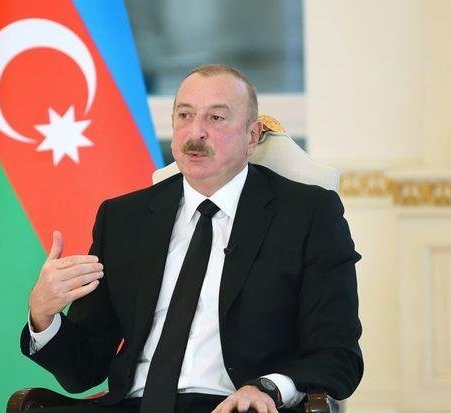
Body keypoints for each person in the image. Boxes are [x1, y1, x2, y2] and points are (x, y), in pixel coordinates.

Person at [21, 64, 363, 413]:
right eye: (185, 115)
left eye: (216, 118)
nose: (195, 132)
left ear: (251, 136)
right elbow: (84, 370)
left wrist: (268, 388)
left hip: (234, 404)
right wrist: (43, 316)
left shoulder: (307, 214)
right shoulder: (123, 218)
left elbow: (338, 355)